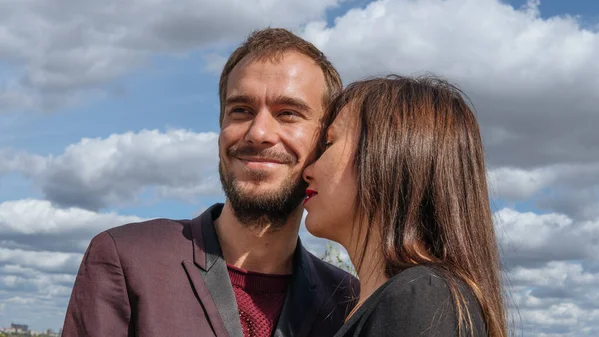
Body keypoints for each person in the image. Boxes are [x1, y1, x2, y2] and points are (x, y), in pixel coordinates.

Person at [62, 28, 357, 337]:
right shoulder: (127, 260)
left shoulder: (347, 300)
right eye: (241, 110)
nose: (258, 133)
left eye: (288, 113)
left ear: (326, 140)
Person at [303, 75, 507, 337]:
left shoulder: (421, 298)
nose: (308, 170)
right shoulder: (411, 297)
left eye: (328, 143)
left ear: (387, 154)